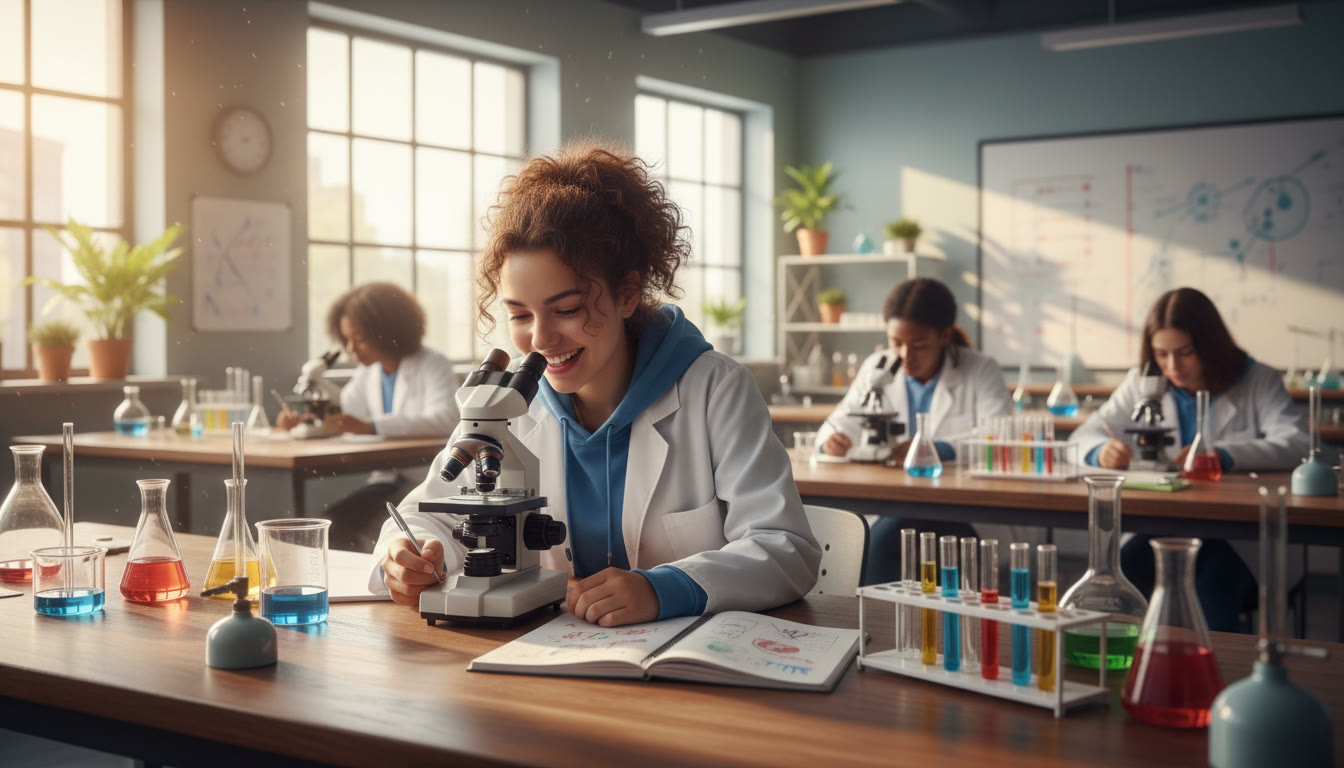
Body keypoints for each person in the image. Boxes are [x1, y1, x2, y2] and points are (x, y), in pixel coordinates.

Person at [369, 143, 819, 627]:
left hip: (686, 669)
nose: (539, 340)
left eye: (566, 310)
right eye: (520, 314)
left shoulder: (715, 390)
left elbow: (784, 547)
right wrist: (405, 556)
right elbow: (426, 515)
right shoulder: (505, 406)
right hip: (551, 659)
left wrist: (665, 587)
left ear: (627, 295)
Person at [1071, 287, 1307, 631]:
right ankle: (1137, 673)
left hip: (1237, 536)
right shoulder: (1144, 382)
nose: (1172, 366)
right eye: (1161, 353)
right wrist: (1100, 452)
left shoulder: (1258, 380)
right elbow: (1084, 436)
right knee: (1120, 575)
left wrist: (1222, 455)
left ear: (1210, 345)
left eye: (1185, 353)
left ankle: (1214, 679)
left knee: (1210, 594)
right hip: (1164, 525)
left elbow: (1298, 443)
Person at [815, 278, 1014, 585]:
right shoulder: (878, 367)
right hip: (890, 505)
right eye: (896, 342)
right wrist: (831, 442)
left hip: (958, 511)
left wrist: (936, 450)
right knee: (881, 546)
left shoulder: (979, 370)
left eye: (919, 344)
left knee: (903, 545)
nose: (906, 355)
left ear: (944, 334)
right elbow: (836, 424)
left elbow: (1003, 437)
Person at [277, 282, 459, 551]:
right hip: (385, 482)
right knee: (330, 524)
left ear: (387, 331)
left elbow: (446, 418)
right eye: (347, 340)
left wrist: (372, 425)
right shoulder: (369, 373)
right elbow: (346, 416)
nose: (351, 349)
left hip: (423, 481)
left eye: (360, 339)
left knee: (359, 530)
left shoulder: (433, 364)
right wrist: (305, 423)